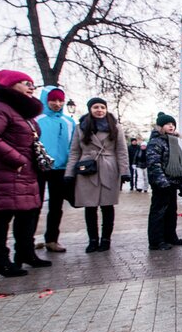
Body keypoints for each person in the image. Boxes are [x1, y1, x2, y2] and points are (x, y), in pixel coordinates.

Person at [0, 69, 47, 277]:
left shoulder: (21, 111)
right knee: (0, 218)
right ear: (9, 86)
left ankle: (25, 253)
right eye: (25, 83)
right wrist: (17, 160)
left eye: (32, 84)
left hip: (25, 172)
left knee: (27, 214)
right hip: (6, 172)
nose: (31, 87)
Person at [64, 97, 130, 253]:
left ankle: (106, 239)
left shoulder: (115, 127)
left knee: (107, 206)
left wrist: (125, 172)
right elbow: (74, 151)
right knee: (90, 206)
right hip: (87, 169)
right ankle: (92, 240)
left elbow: (121, 151)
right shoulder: (81, 127)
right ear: (90, 109)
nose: (99, 110)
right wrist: (69, 173)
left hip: (109, 167)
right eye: (95, 107)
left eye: (102, 107)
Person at [35, 86, 75, 252]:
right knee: (33, 205)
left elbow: (73, 145)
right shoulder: (36, 120)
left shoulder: (69, 122)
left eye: (60, 100)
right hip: (38, 167)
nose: (57, 104)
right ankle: (27, 239)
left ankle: (52, 239)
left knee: (56, 206)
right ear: (46, 100)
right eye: (53, 100)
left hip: (60, 168)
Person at [147, 112, 182, 251]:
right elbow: (154, 164)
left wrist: (181, 184)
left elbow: (179, 164)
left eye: (172, 124)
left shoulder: (173, 141)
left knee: (171, 211)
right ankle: (156, 241)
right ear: (160, 127)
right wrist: (162, 182)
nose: (171, 126)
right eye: (167, 124)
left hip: (172, 183)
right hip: (161, 184)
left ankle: (170, 236)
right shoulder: (156, 142)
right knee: (159, 212)